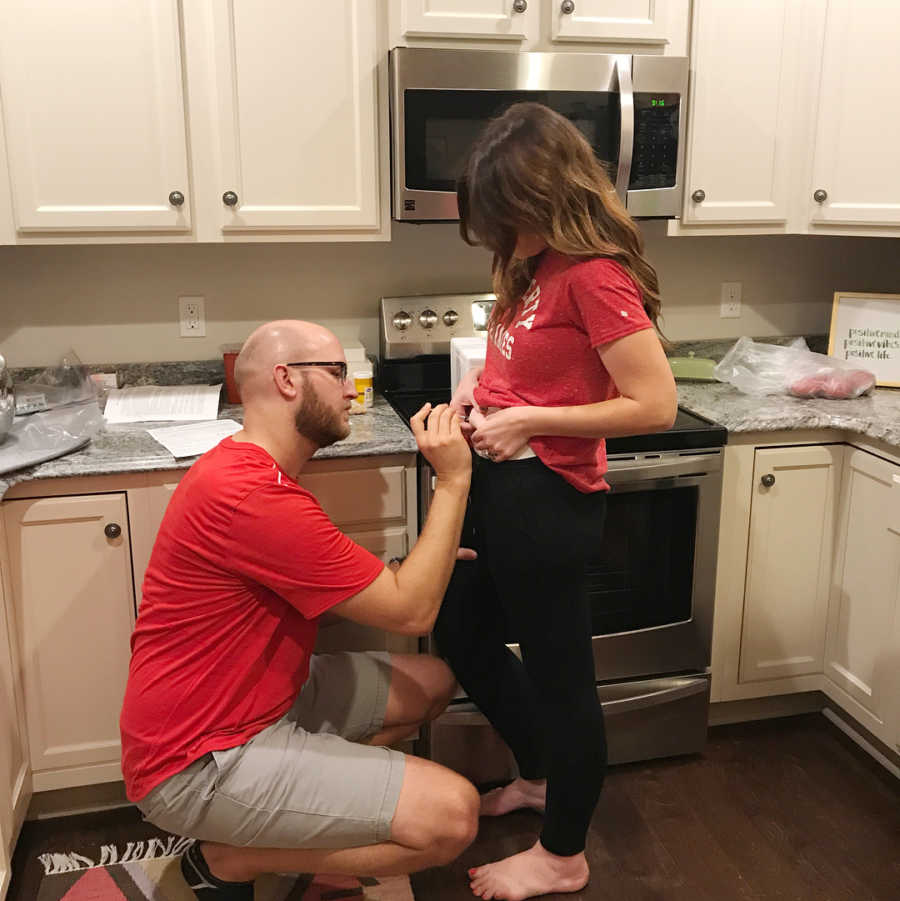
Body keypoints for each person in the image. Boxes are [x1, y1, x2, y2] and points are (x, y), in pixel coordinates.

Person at [119, 320, 479, 900]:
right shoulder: (254, 497)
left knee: (430, 683)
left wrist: (408, 569)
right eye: (339, 374)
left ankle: (304, 799)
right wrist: (455, 478)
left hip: (259, 701)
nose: (351, 391)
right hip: (196, 760)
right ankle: (234, 855)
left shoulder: (247, 469)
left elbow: (340, 591)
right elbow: (413, 613)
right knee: (453, 817)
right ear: (287, 380)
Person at [435, 102, 678, 901]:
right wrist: (478, 389)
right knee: (463, 631)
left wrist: (530, 420)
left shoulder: (596, 276)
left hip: (549, 503)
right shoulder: (532, 267)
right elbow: (514, 362)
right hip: (502, 492)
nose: (497, 238)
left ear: (546, 201)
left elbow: (655, 405)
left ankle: (564, 855)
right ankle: (539, 777)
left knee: (563, 679)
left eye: (506, 219)